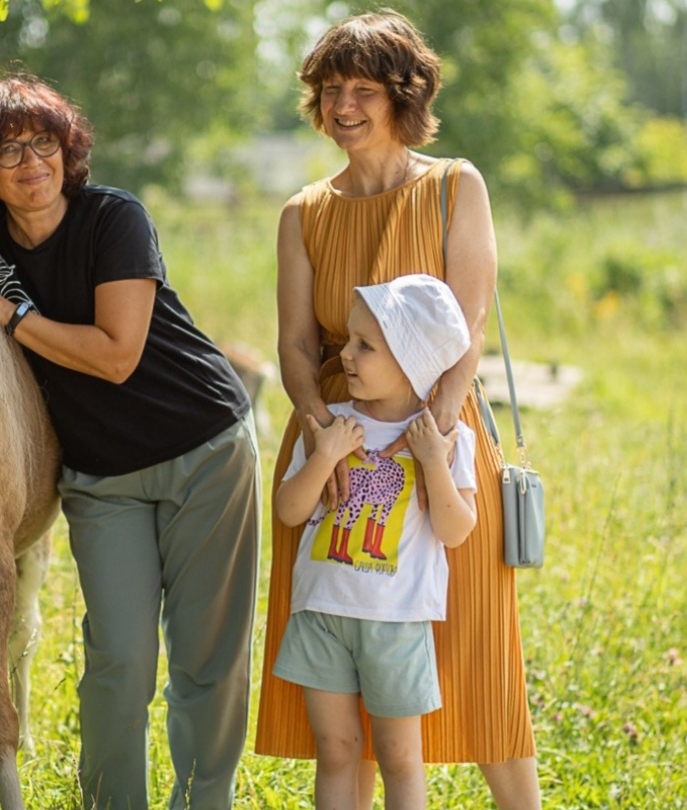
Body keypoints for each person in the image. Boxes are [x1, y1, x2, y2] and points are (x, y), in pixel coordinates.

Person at [256, 10, 542, 810]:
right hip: (336, 446)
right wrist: (321, 436)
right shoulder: (302, 211)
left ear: (403, 95)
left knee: (479, 649)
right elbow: (293, 344)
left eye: (363, 90)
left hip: (433, 439)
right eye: (330, 89)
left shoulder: (456, 185)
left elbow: (469, 325)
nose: (343, 106)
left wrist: (434, 437)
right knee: (351, 677)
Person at [0, 77, 261, 810]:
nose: (32, 161)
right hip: (101, 478)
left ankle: (204, 802)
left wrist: (10, 318)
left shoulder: (114, 218)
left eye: (45, 142)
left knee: (206, 659)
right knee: (119, 660)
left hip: (205, 451)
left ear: (69, 149)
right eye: (8, 149)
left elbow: (116, 354)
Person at [273, 275, 477, 810]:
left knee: (400, 756)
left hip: (398, 620)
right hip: (322, 616)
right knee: (335, 749)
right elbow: (288, 511)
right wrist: (322, 455)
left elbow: (457, 530)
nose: (345, 354)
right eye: (348, 340)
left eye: (365, 345)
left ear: (412, 361)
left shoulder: (447, 439)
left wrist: (433, 461)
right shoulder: (330, 426)